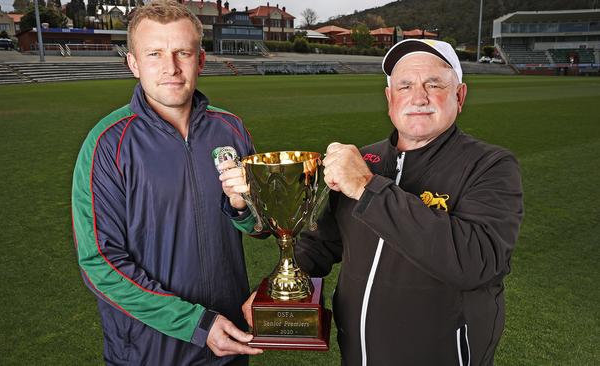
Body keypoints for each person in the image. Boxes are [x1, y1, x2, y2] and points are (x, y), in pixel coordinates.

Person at [222, 39, 523, 365]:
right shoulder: (368, 158)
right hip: (357, 355)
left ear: (459, 96)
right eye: (405, 85)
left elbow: (477, 262)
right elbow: (322, 243)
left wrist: (368, 188)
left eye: (433, 84)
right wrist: (276, 293)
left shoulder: (490, 165)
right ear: (389, 98)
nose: (418, 97)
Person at [71, 1, 262, 364]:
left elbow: (259, 226)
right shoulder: (107, 144)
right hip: (149, 352)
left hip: (228, 343)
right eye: (155, 53)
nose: (171, 68)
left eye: (182, 53)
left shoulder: (231, 130)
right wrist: (195, 323)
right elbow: (100, 262)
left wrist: (241, 207)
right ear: (133, 63)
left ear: (200, 60)